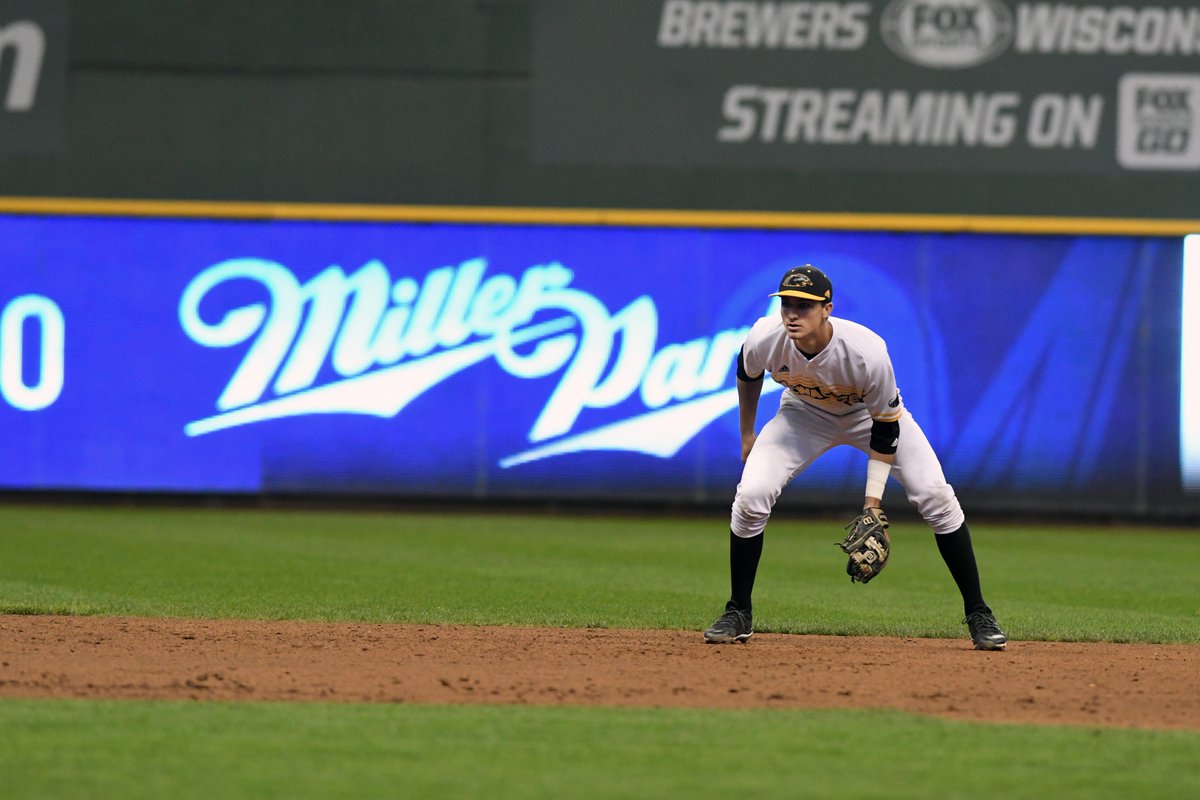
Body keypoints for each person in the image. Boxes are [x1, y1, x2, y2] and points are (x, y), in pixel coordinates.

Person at [703, 265, 1007, 651]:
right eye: (787, 305)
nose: (793, 314)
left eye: (805, 306)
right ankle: (738, 611)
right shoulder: (766, 336)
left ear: (827, 308)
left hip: (869, 418)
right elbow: (747, 374)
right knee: (750, 497)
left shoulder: (866, 351)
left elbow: (885, 424)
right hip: (803, 414)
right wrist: (748, 433)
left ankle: (979, 613)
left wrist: (872, 503)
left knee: (936, 497)